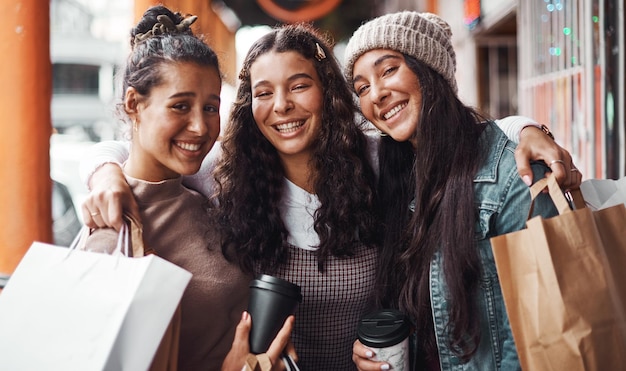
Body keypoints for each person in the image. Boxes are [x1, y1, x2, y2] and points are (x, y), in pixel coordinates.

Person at [78, 24, 577, 371]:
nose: (283, 107)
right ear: (249, 106)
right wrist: (103, 170)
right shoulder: (225, 178)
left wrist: (526, 129)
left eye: (299, 86)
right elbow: (147, 149)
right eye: (264, 92)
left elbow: (454, 138)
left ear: (329, 93)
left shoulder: (378, 161)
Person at [343, 11, 567, 370]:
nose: (378, 94)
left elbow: (546, 335)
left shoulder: (513, 176)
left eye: (388, 70)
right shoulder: (392, 177)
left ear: (429, 70)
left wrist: (528, 129)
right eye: (363, 88)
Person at [80, 6, 293, 371]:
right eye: (180, 106)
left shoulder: (204, 194)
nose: (200, 126)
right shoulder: (113, 232)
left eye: (211, 107)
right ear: (134, 104)